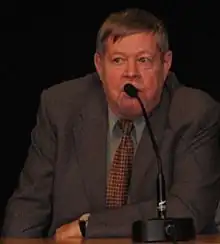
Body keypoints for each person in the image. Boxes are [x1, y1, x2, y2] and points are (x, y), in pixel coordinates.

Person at [2, 7, 220, 241]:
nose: (131, 73)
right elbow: (28, 208)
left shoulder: (193, 113)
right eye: (118, 60)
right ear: (99, 65)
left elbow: (188, 209)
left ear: (166, 64)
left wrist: (90, 226)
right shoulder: (60, 107)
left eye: (144, 60)